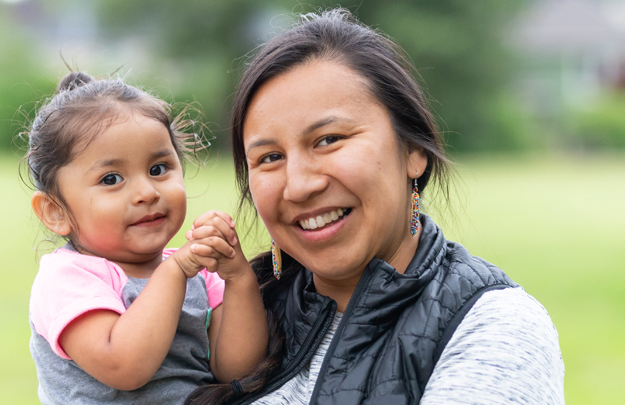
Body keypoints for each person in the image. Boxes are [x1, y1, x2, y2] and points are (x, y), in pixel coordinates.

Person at [187, 9, 564, 405]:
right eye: (269, 158)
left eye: (329, 139)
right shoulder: (228, 319)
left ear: (413, 150)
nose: (297, 186)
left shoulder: (491, 326)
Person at [24, 72, 268, 404]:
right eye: (111, 178)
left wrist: (238, 277)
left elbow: (237, 371)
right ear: (55, 211)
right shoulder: (67, 278)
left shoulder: (201, 273)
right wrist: (174, 271)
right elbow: (124, 366)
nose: (146, 192)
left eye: (158, 169)